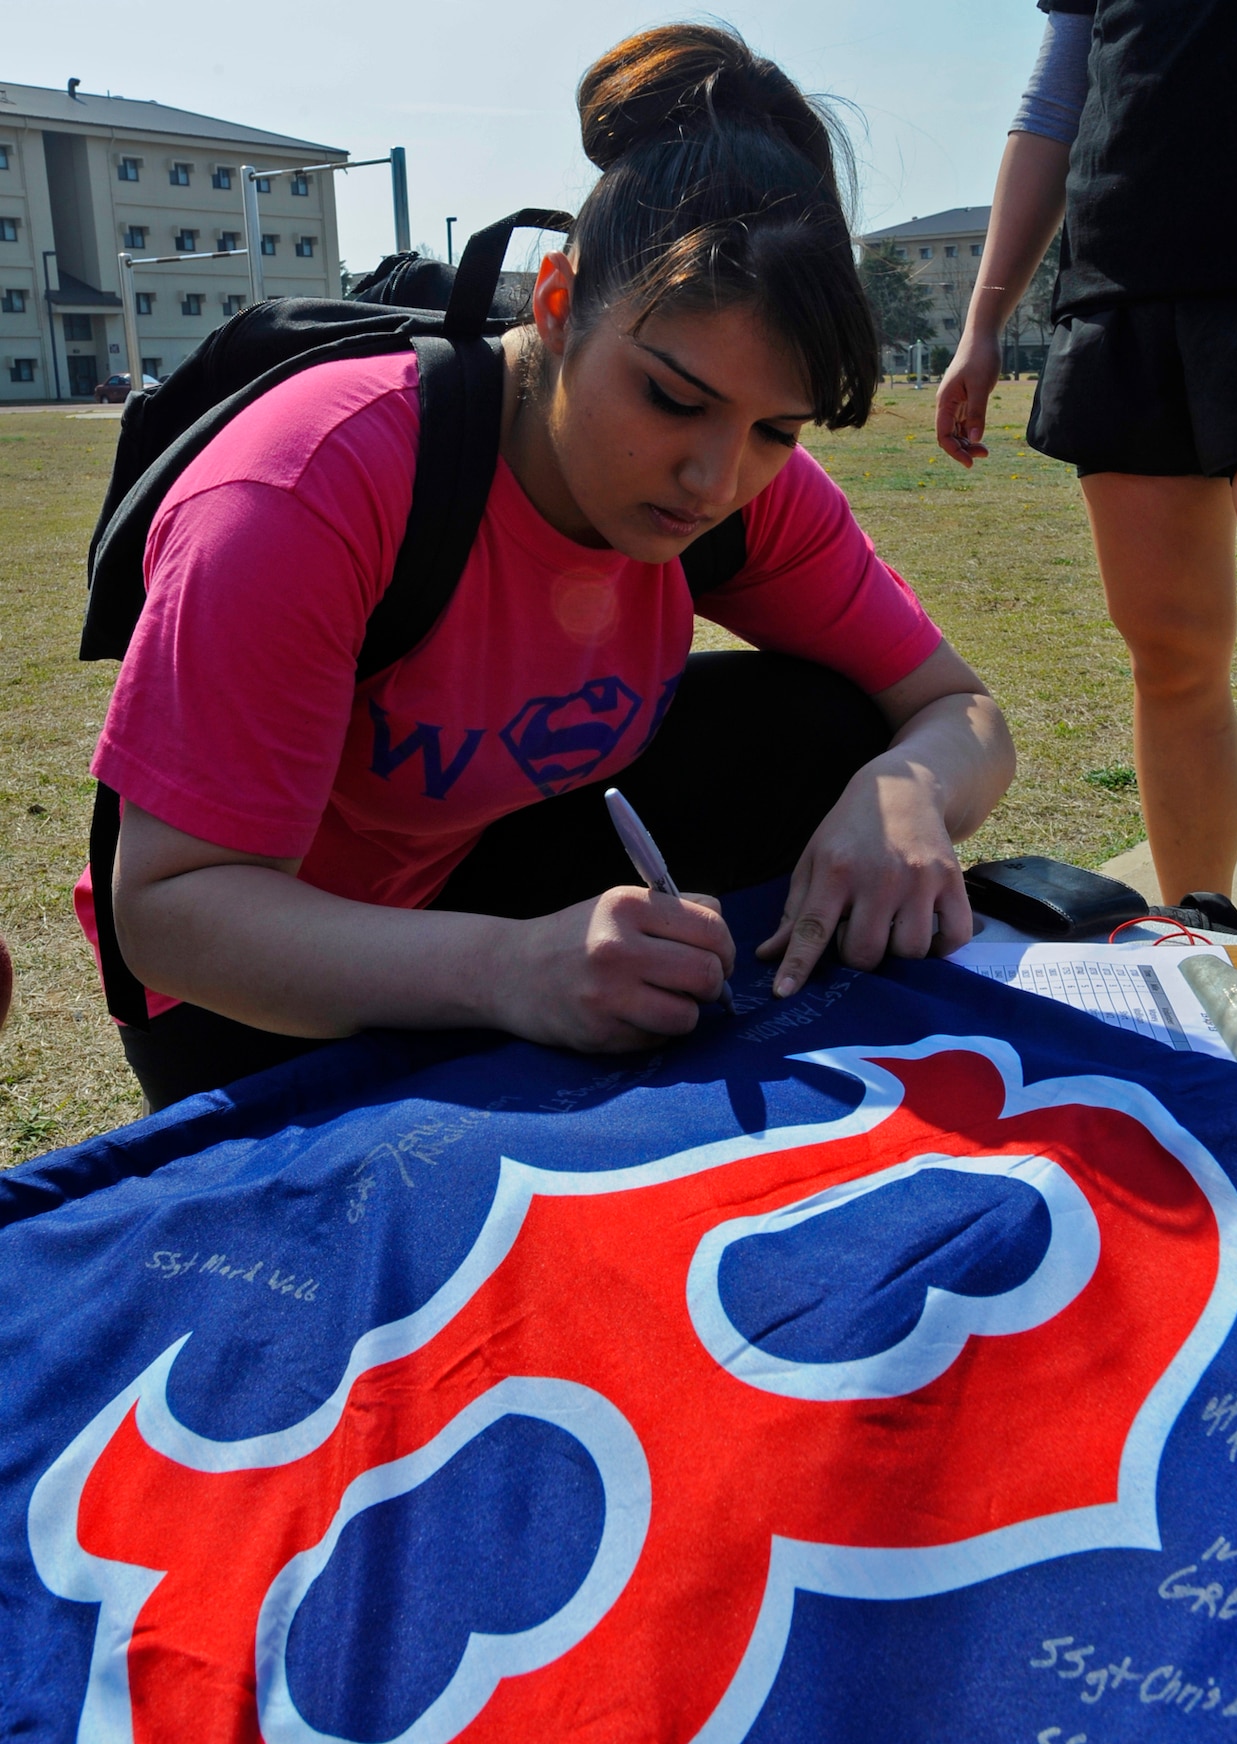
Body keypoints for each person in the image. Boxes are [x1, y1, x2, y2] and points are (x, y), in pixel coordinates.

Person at [82, 25, 1014, 1113]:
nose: (715, 477)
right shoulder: (309, 483)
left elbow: (959, 710)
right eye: (673, 398)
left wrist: (907, 790)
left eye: (779, 428)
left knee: (835, 727)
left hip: (479, 874)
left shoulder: (747, 494)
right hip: (259, 985)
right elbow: (171, 913)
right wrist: (510, 970)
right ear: (558, 302)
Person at [937, 0, 1237, 977]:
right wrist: (984, 318)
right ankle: (1192, 962)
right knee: (1168, 657)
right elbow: (1057, 92)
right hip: (1123, 284)